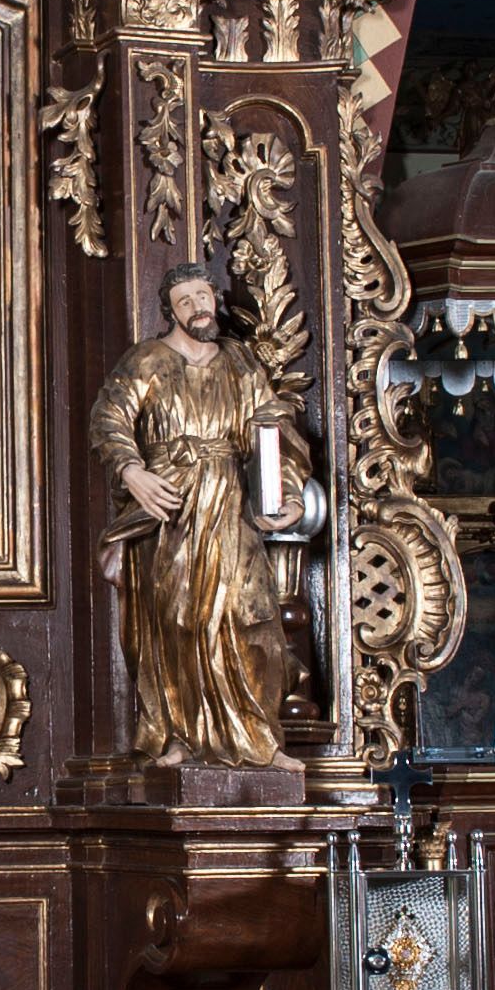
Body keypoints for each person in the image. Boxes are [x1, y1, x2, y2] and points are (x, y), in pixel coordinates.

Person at [90, 263, 308, 772]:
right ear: (171, 311)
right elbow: (110, 417)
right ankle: (179, 736)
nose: (198, 307)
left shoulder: (240, 363)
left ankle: (260, 739)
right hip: (169, 505)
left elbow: (272, 430)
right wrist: (132, 472)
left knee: (250, 618)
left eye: (203, 296)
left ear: (215, 300)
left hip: (229, 505)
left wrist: (287, 495)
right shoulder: (146, 360)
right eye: (185, 300)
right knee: (176, 618)